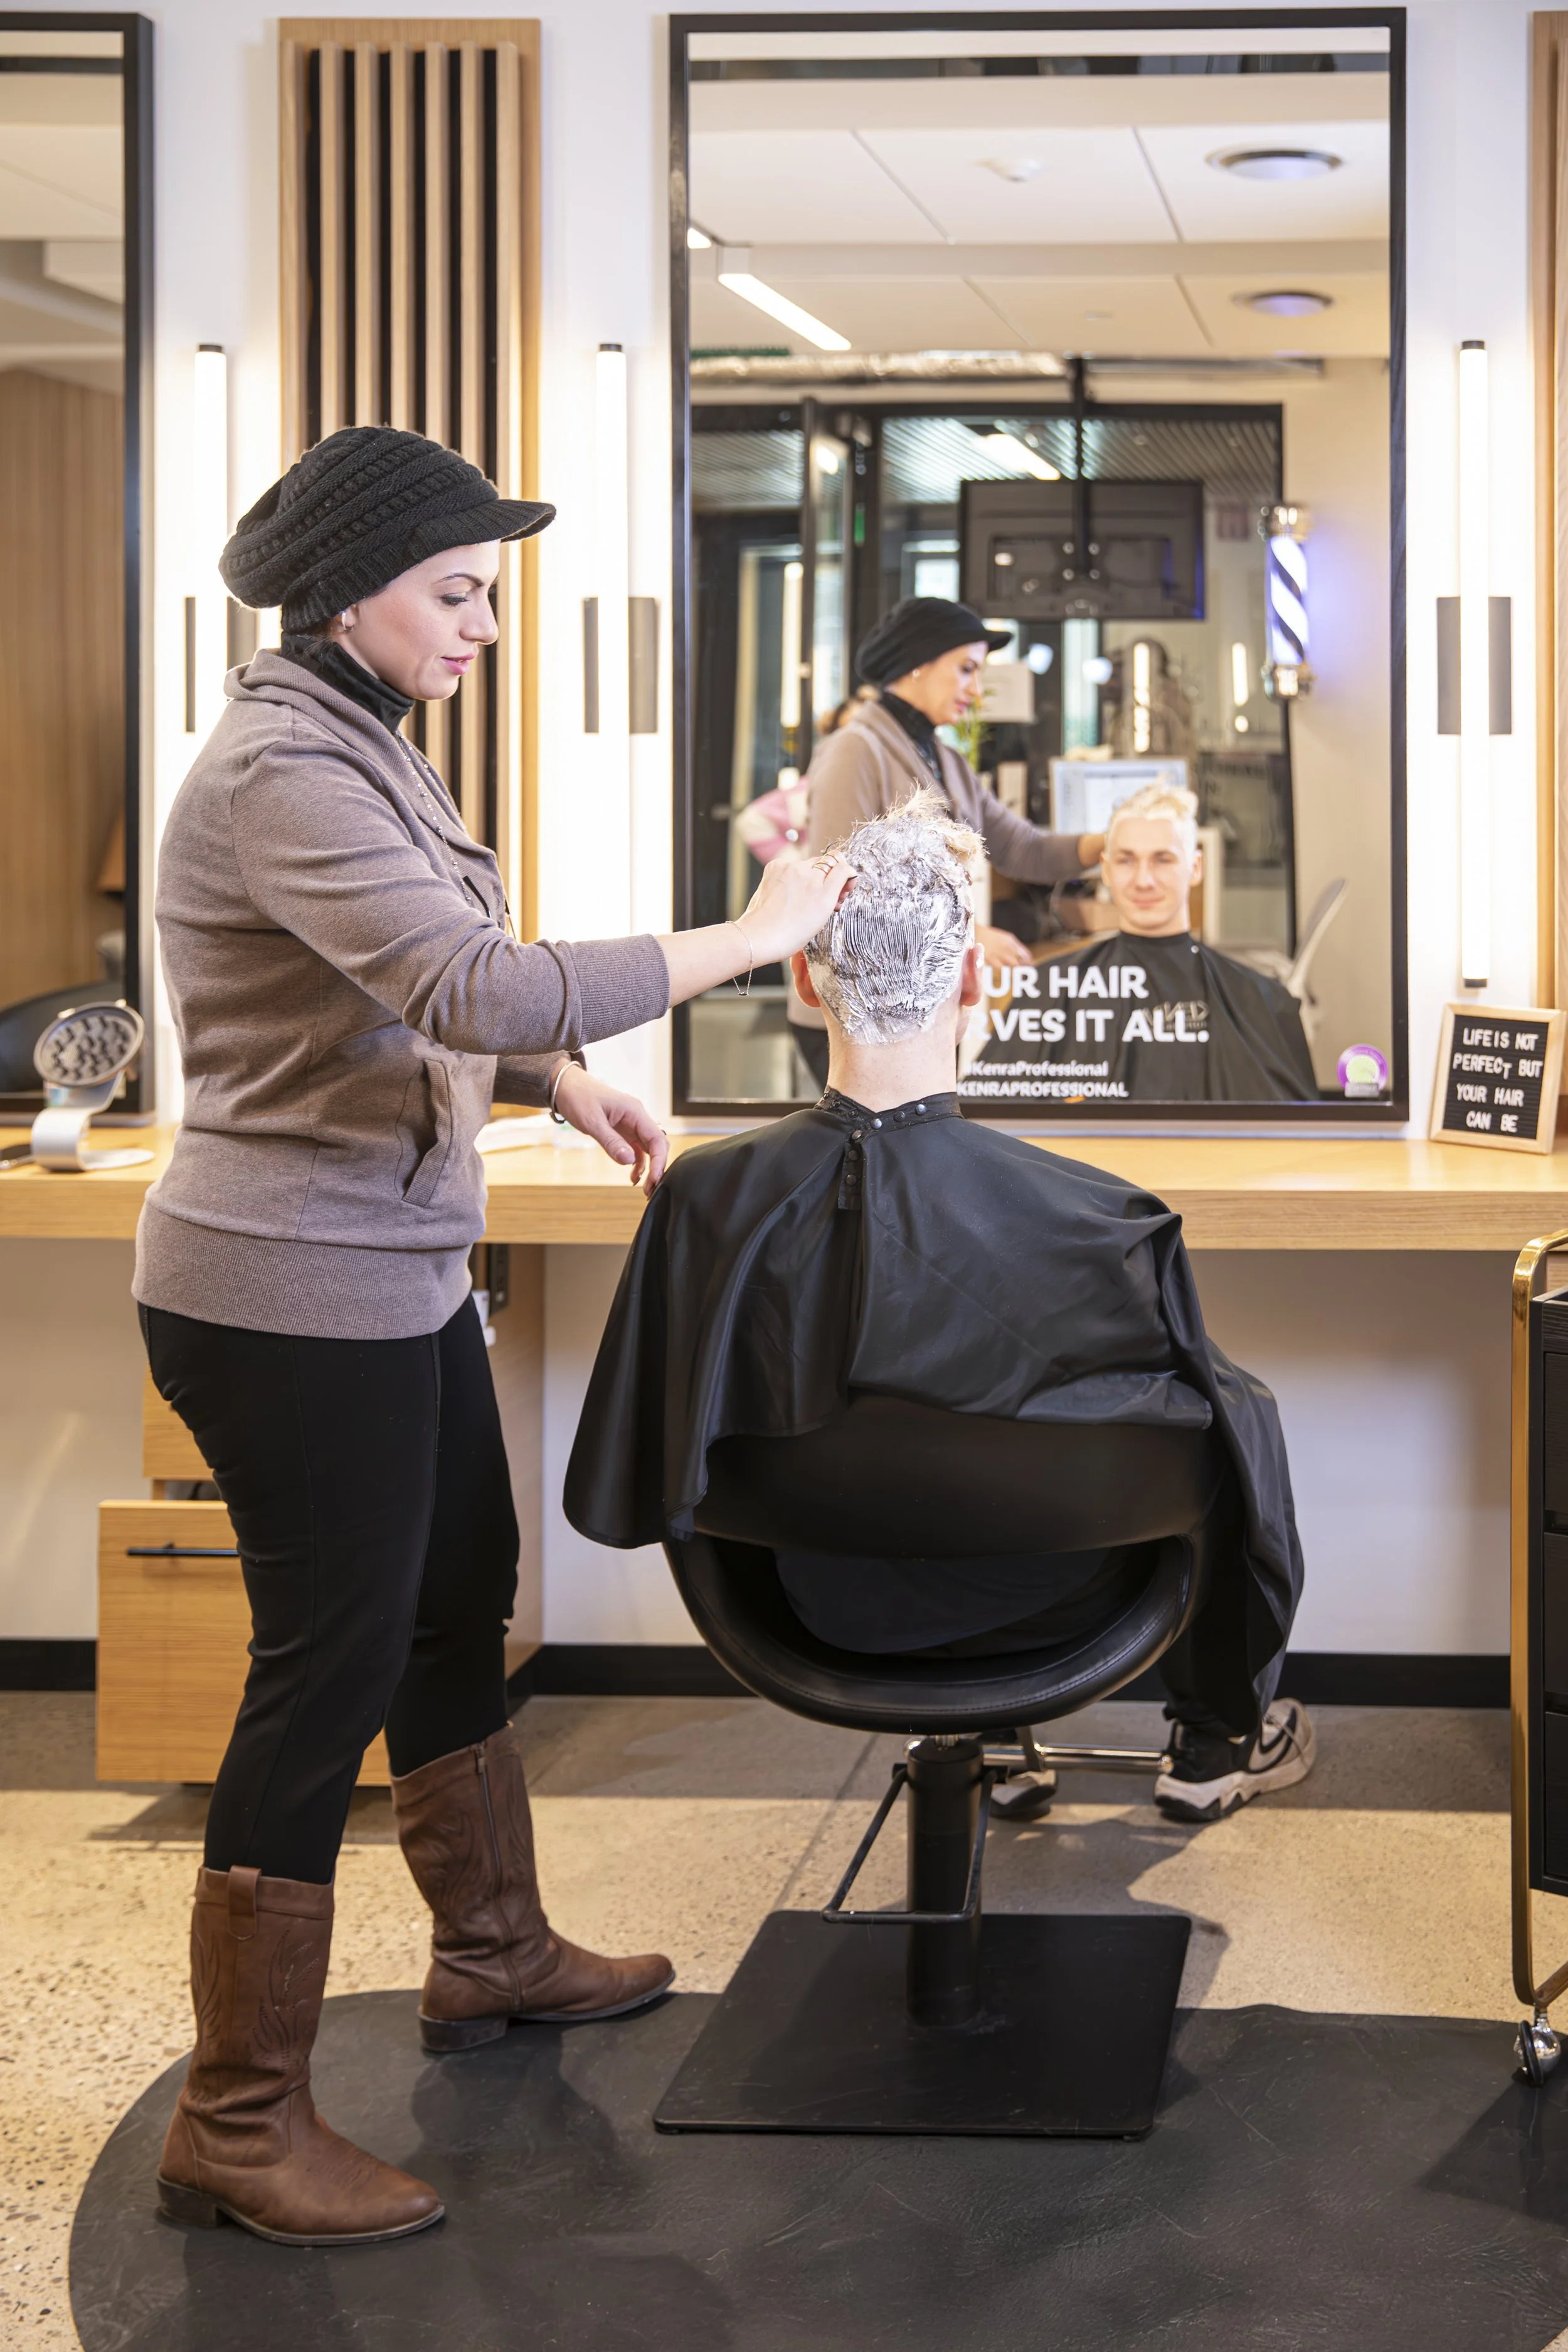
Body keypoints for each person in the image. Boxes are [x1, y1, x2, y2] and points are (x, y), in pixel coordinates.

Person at [135, 425, 852, 2249]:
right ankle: (239, 2116)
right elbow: (466, 976)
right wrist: (745, 932)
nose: (482, 625)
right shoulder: (280, 766)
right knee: (326, 1660)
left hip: (390, 1267)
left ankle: (493, 1951)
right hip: (281, 1288)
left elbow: (437, 985)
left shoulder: (365, 742)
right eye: (457, 592)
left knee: (459, 1590)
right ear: (352, 585)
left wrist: (557, 1080)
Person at [568, 790, 1313, 1836]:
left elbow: (627, 1474)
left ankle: (996, 1747)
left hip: (794, 1602)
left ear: (802, 978)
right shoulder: (1101, 1218)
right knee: (1239, 1414)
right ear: (973, 980)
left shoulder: (701, 1195)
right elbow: (1201, 1457)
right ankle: (1213, 1736)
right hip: (1065, 1604)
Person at [785, 596, 1104, 1088]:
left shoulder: (945, 758)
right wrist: (970, 938)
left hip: (913, 1010)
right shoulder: (855, 749)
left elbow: (1024, 850)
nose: (976, 691)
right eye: (966, 670)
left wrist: (1112, 845)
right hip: (855, 1014)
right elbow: (840, 895)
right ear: (918, 664)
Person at [968, 781, 1318, 1107]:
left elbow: (1301, 1140)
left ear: (1195, 868)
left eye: (1163, 860)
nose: (1143, 881)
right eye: (1126, 860)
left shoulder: (1262, 1001)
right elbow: (989, 1124)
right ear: (1106, 869)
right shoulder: (1050, 989)